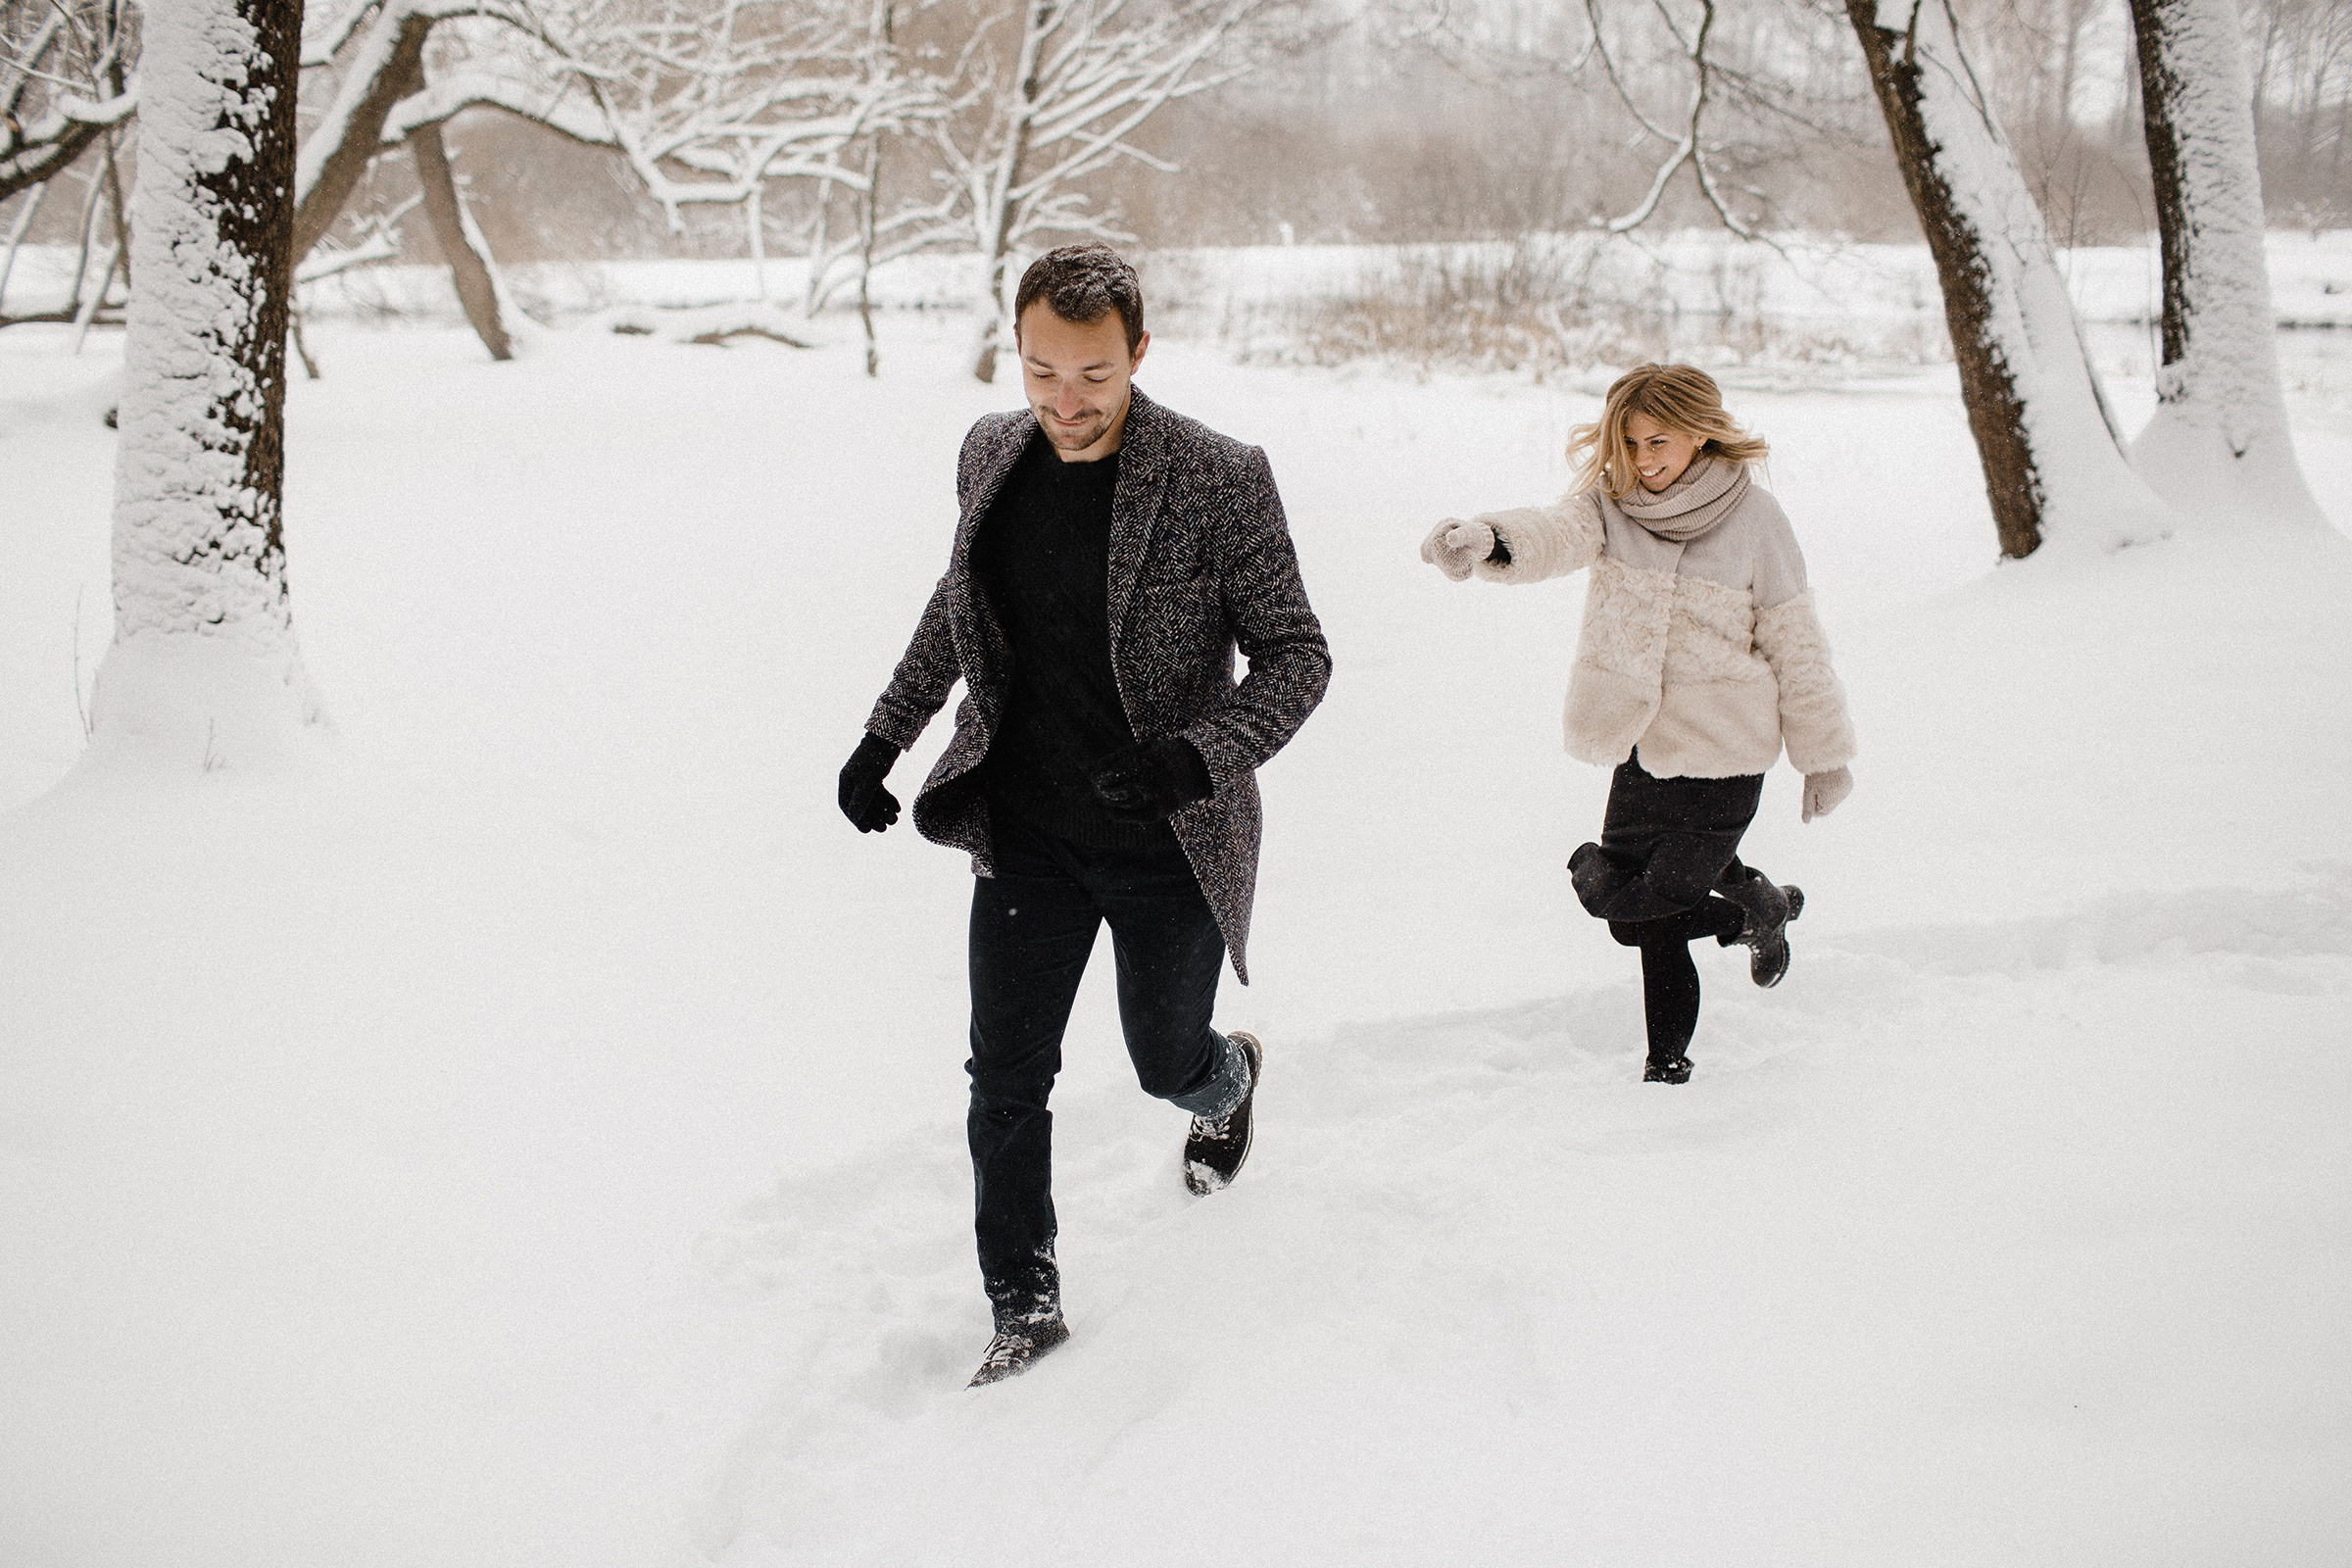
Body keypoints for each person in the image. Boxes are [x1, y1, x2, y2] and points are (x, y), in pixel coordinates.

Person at [840, 245, 1331, 1387]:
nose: (1065, 402)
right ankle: (1025, 1303)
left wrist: (1195, 758)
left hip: (1168, 844)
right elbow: (956, 603)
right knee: (1005, 1077)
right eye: (1042, 372)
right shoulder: (990, 454)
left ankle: (1229, 1082)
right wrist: (885, 735)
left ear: (1139, 355)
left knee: (1166, 1060)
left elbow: (1298, 658)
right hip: (1027, 834)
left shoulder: (1218, 476)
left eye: (1094, 375)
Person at [1418, 364, 1854, 1084]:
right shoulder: (1612, 506)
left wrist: (1823, 756)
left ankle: (1667, 1068)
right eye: (1629, 442)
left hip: (1726, 754)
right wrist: (1489, 539)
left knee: (1653, 906)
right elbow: (1554, 532)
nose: (1644, 459)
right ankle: (1758, 909)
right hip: (1642, 751)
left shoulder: (1758, 522)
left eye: (1659, 440)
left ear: (1700, 433)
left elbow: (1797, 643)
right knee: (1634, 910)